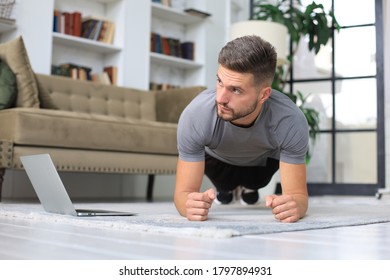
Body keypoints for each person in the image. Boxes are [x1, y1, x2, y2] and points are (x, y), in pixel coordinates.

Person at [174, 35, 309, 223]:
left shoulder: (290, 120)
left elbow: (298, 196)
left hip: (259, 166)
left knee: (255, 183)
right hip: (218, 162)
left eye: (236, 90)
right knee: (224, 186)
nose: (220, 98)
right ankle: (225, 190)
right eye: (219, 82)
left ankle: (249, 188)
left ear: (264, 95)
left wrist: (295, 206)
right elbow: (183, 194)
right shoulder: (196, 114)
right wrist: (188, 205)